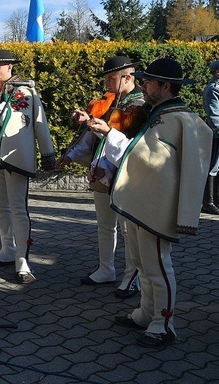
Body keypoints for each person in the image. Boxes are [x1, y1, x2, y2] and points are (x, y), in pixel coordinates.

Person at [88, 58, 211, 348]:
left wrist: (110, 134)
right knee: (143, 263)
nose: (143, 85)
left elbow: (152, 160)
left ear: (165, 86)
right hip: (141, 202)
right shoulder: (158, 113)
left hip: (157, 206)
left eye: (149, 81)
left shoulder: (178, 118)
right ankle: (146, 313)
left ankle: (164, 324)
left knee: (157, 265)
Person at [0, 49, 56, 283]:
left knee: (18, 208)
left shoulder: (24, 91)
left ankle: (23, 262)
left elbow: (19, 119)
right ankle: (7, 249)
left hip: (15, 157)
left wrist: (47, 154)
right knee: (0, 206)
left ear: (10, 67)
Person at [58, 54, 142, 298]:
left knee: (129, 229)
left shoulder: (140, 105)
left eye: (110, 78)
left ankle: (132, 277)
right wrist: (74, 153)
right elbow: (95, 137)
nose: (106, 83)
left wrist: (106, 132)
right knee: (105, 226)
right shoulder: (110, 103)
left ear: (127, 77)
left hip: (126, 174)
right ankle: (106, 269)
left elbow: (133, 145)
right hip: (102, 172)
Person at [201, 58, 219, 215]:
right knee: (213, 166)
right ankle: (208, 202)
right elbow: (214, 115)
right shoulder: (214, 89)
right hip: (218, 134)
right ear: (218, 73)